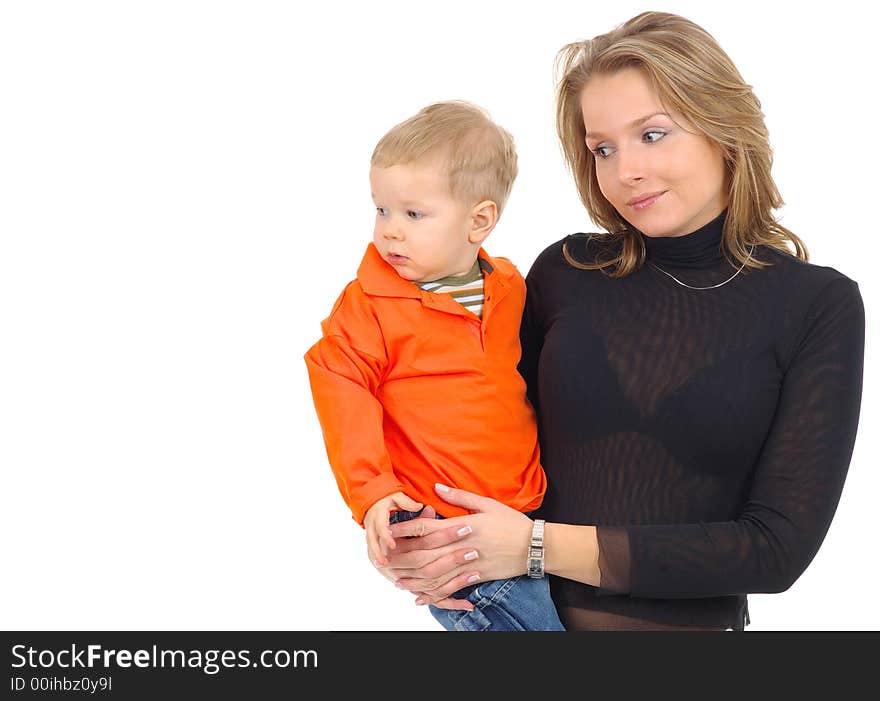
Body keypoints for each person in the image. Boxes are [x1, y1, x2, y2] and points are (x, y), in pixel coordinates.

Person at [379, 12, 865, 631]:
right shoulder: (565, 271)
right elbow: (470, 424)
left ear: (723, 128)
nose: (624, 170)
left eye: (653, 135)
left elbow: (775, 551)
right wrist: (415, 533)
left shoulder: (817, 304)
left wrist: (534, 545)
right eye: (602, 148)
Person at [304, 101, 565, 630]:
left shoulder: (510, 287)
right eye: (381, 209)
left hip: (523, 512)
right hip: (447, 531)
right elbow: (340, 388)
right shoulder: (369, 305)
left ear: (480, 220)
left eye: (413, 214)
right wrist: (373, 492)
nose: (390, 231)